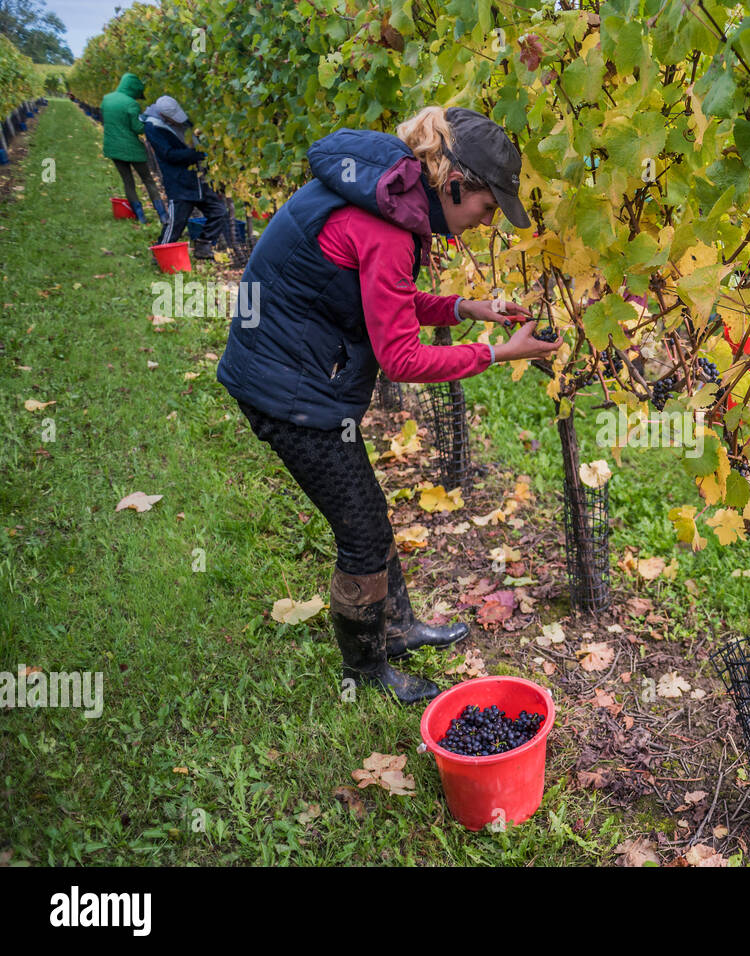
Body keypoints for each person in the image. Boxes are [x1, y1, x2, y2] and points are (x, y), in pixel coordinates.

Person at [216, 106, 562, 704]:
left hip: (294, 371)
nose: (485, 223)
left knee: (368, 515)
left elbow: (386, 294)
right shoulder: (386, 226)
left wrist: (463, 309)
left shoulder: (381, 196)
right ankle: (366, 671)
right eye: (486, 208)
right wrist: (497, 353)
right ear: (455, 184)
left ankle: (397, 629)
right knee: (364, 534)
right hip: (287, 392)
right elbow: (401, 358)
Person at [142, 95, 229, 257]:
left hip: (200, 178)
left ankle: (203, 246)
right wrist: (196, 154)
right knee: (176, 223)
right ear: (163, 116)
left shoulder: (183, 121)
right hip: (179, 182)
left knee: (219, 212)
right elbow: (168, 155)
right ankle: (159, 254)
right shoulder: (152, 127)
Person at [99, 73, 166, 224]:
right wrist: (150, 123)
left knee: (128, 182)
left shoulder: (106, 99)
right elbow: (137, 128)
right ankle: (163, 215)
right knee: (148, 180)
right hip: (132, 149)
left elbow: (106, 119)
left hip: (113, 147)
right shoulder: (131, 104)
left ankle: (140, 216)